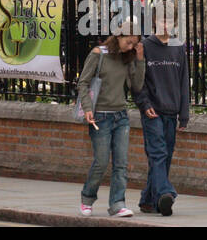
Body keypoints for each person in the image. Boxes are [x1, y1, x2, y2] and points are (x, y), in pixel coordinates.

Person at [77, 19, 145, 217]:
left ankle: (117, 204)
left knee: (121, 163)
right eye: (128, 42)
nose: (131, 47)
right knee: (101, 161)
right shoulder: (98, 54)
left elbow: (137, 86)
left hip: (121, 116)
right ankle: (87, 198)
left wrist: (139, 60)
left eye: (134, 43)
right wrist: (88, 109)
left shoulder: (128, 57)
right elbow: (83, 83)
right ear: (118, 36)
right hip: (100, 116)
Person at [134, 12, 189, 215]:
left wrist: (184, 114)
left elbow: (184, 81)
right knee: (157, 154)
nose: (164, 24)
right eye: (160, 20)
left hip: (172, 111)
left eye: (168, 20)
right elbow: (136, 79)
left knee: (164, 158)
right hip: (152, 111)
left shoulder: (178, 47)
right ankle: (165, 193)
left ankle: (148, 200)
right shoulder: (145, 46)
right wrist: (143, 103)